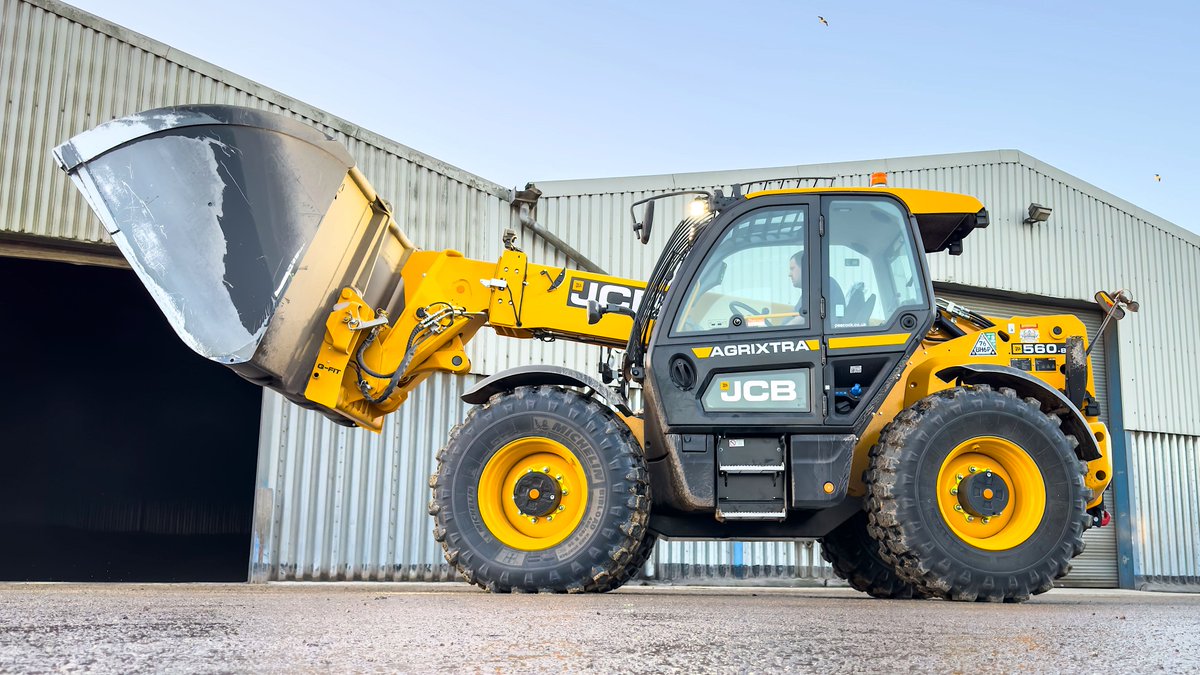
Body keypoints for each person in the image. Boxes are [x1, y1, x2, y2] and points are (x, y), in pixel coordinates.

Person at [786, 251, 806, 326]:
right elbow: (793, 316)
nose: (789, 274)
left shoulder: (820, 290)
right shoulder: (807, 293)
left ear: (805, 268)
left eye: (792, 269)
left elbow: (802, 319)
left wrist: (776, 336)